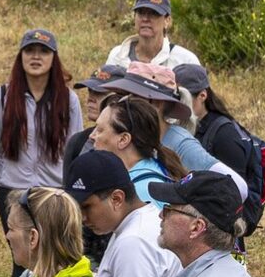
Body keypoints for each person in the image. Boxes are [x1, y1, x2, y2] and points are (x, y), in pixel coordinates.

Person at [0, 29, 84, 277]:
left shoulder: (68, 100)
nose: (36, 57)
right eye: (30, 51)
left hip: (53, 190)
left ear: (53, 58)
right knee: (22, 258)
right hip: (11, 189)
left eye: (44, 51)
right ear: (20, 56)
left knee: (55, 255)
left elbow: (75, 150)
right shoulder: (3, 96)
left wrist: (75, 195)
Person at [102, 63, 249, 203]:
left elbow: (238, 188)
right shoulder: (131, 139)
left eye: (132, 98)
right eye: (124, 97)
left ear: (157, 104)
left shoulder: (180, 143)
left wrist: (193, 211)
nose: (123, 104)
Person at [175, 64, 265, 235]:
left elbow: (233, 191)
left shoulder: (225, 135)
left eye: (183, 99)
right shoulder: (191, 128)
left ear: (202, 96)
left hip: (221, 228)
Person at [88, 94, 188, 204]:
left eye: (100, 130)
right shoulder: (146, 172)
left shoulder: (143, 190)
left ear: (123, 139)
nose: (92, 136)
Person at [105, 0, 200, 69]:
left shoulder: (185, 61)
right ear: (134, 18)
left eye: (154, 13)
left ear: (167, 21)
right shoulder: (118, 56)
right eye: (141, 13)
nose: (145, 19)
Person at [62, 64, 126, 171]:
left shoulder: (131, 146)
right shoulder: (78, 141)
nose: (90, 99)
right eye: (90, 91)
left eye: (100, 93)